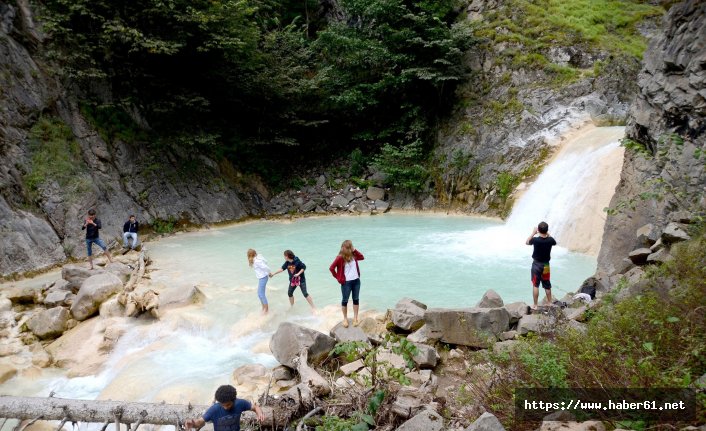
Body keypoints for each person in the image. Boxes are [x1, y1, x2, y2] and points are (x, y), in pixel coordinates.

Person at [184, 384, 264, 431]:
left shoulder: (240, 403)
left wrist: (259, 413)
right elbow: (200, 421)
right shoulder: (214, 409)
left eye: (228, 405)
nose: (225, 407)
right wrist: (193, 423)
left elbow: (255, 407)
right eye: (223, 405)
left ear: (234, 400)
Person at [329, 240, 365, 328]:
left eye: (348, 247)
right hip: (346, 283)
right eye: (345, 247)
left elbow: (362, 257)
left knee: (356, 299)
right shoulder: (340, 258)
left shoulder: (354, 255)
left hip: (356, 281)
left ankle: (355, 318)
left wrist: (354, 250)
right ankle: (345, 318)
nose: (345, 249)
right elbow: (331, 268)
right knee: (345, 300)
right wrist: (338, 277)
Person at [525, 221, 557, 310]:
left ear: (538, 230)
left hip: (536, 264)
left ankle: (535, 305)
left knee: (536, 285)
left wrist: (533, 233)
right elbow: (554, 242)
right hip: (546, 265)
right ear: (547, 230)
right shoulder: (550, 240)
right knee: (547, 283)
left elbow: (527, 242)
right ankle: (550, 302)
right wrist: (547, 233)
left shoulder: (535, 240)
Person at [247, 249, 271, 314]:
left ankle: (266, 310)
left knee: (261, 294)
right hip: (261, 278)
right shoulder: (255, 259)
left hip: (263, 277)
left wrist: (269, 273)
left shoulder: (257, 261)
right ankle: (263, 308)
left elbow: (265, 267)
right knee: (259, 294)